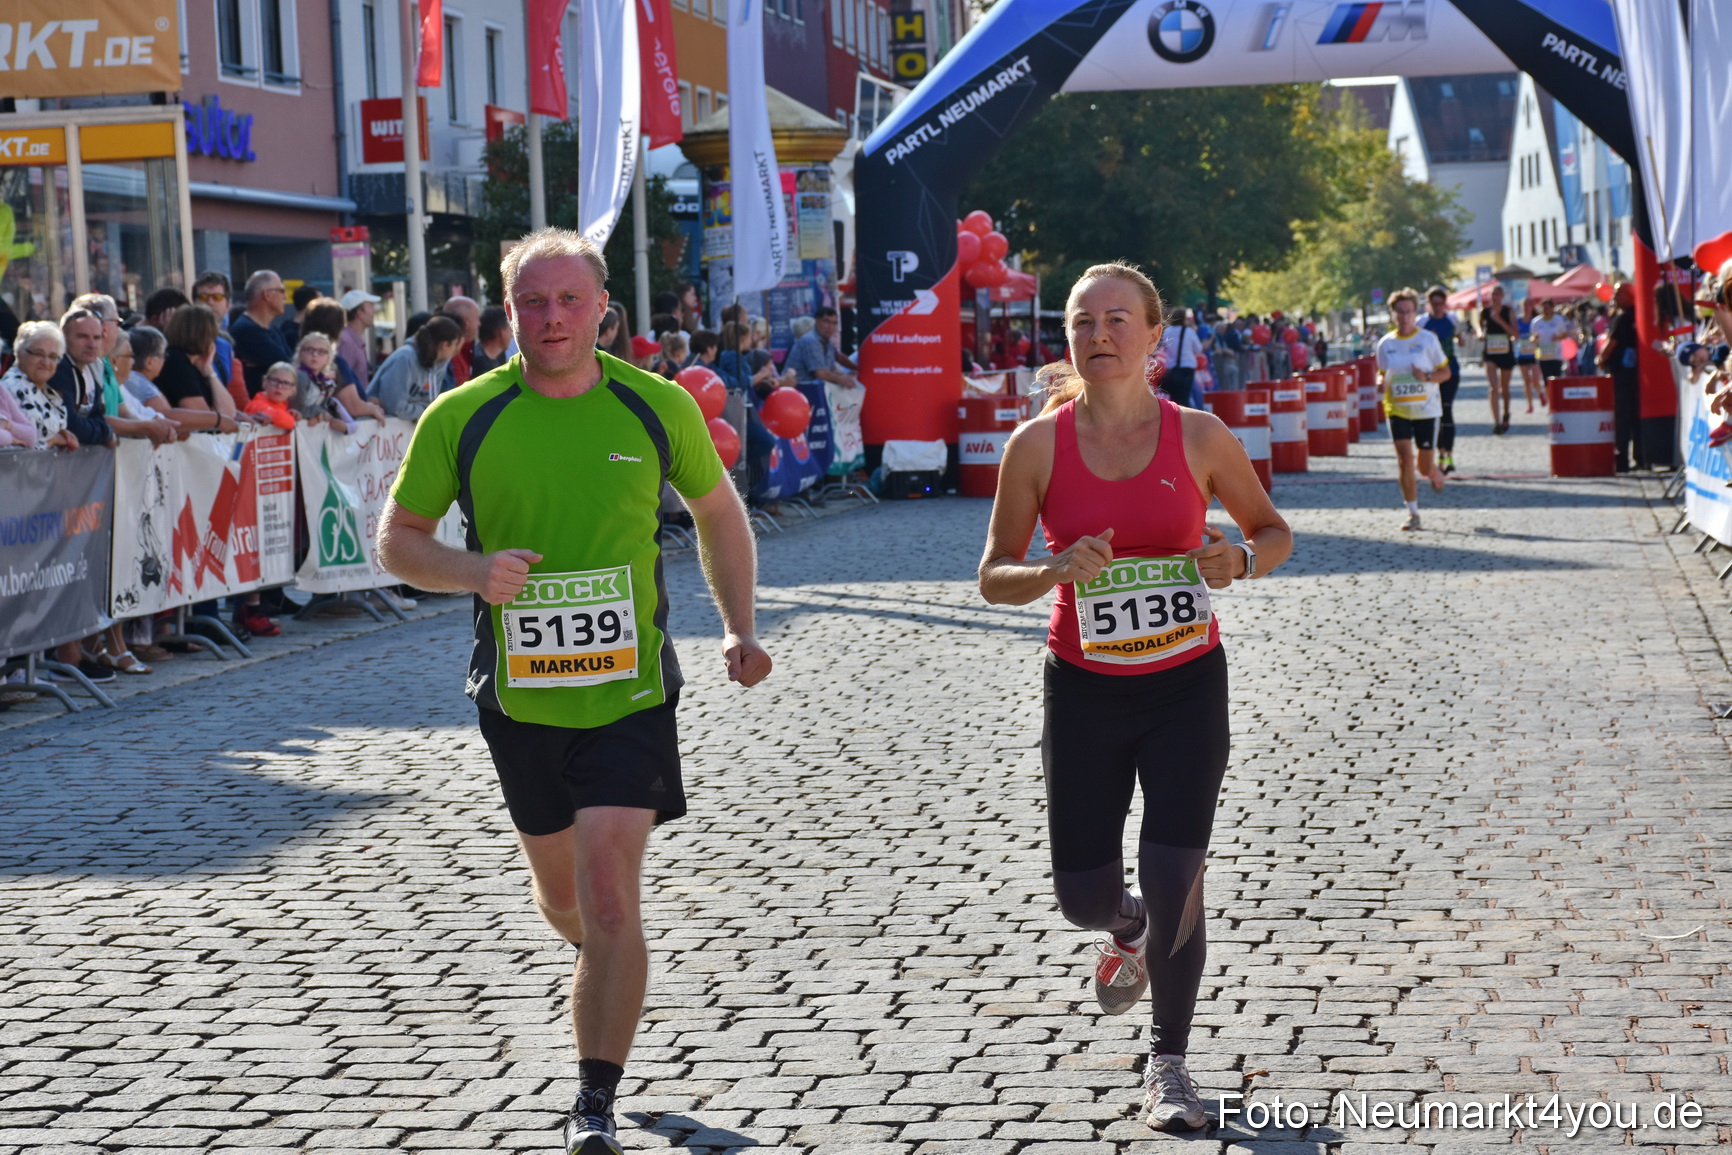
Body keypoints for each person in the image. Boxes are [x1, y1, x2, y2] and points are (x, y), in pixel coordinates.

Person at [375, 227, 771, 1155]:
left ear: (601, 309)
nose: (551, 318)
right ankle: (600, 957)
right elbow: (398, 540)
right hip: (519, 699)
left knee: (609, 895)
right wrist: (473, 571)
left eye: (568, 300)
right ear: (509, 311)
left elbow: (718, 512)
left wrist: (741, 626)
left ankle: (594, 1100)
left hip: (631, 694)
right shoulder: (464, 416)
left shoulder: (655, 405)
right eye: (532, 302)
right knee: (567, 901)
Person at [977, 262, 1291, 1134]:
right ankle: (1127, 928)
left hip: (1186, 686)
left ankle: (1170, 1064)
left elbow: (1273, 531)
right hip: (1084, 690)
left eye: (1118, 319)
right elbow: (993, 575)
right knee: (1083, 896)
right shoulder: (1036, 446)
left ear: (1155, 336)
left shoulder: (1200, 436)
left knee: (1175, 873)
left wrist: (1242, 560)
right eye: (1083, 321)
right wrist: (1052, 568)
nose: (1099, 334)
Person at [1376, 288, 1451, 531]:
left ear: (1415, 312)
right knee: (1404, 459)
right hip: (1397, 408)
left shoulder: (1428, 340)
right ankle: (1413, 513)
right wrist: (1380, 382)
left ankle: (1435, 472)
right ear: (1392, 314)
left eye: (1409, 311)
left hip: (1426, 410)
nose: (1404, 316)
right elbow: (1382, 373)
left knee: (1424, 467)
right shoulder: (1385, 344)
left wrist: (1426, 376)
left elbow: (1446, 373)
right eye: (1400, 312)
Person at [368, 314, 463, 421]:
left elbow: (431, 403)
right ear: (444, 345)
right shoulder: (405, 358)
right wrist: (426, 411)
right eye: (455, 344)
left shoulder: (440, 363)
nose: (456, 351)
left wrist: (425, 410)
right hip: (379, 426)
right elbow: (395, 406)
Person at [1597, 282, 1644, 472]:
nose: (1614, 298)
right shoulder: (1637, 314)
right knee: (1634, 417)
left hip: (1623, 375)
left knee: (1623, 418)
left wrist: (1601, 359)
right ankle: (1640, 458)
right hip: (1635, 374)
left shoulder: (1624, 317)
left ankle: (1622, 460)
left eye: (1618, 294)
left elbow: (1611, 344)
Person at [229, 270, 293, 396]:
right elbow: (288, 369)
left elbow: (291, 364)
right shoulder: (246, 331)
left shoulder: (273, 329)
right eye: (281, 291)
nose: (285, 297)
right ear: (267, 295)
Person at [1421, 287, 1462, 475]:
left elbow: (1460, 338)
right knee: (1435, 413)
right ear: (1429, 304)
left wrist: (1460, 339)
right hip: (1431, 373)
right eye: (1434, 304)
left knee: (1447, 410)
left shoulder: (1452, 319)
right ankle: (1440, 454)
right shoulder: (1422, 322)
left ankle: (1449, 455)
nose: (1438, 307)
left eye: (1441, 304)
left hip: (1451, 370)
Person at [1479, 286, 1519, 434]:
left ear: (1502, 296)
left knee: (1504, 388)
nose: (1494, 297)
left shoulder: (1509, 311)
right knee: (1493, 388)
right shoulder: (1484, 312)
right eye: (1492, 294)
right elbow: (1479, 328)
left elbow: (1515, 334)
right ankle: (1496, 422)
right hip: (1490, 353)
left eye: (1497, 294)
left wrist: (1499, 320)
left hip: (1505, 352)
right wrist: (1480, 334)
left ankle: (1506, 414)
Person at [1530, 297, 1577, 390]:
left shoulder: (1558, 320)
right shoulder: (1536, 322)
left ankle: (1556, 397)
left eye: (1548, 308)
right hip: (1543, 355)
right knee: (1546, 380)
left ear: (1552, 308)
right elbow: (1532, 338)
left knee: (1556, 378)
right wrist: (1534, 338)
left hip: (1556, 354)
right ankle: (1549, 398)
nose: (1546, 310)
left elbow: (1565, 334)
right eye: (1544, 308)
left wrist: (1557, 338)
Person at [1158, 309, 1202, 407]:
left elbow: (1164, 348)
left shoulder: (1167, 331)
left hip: (1172, 368)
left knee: (1174, 398)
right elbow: (1198, 349)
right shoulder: (1189, 331)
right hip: (1187, 367)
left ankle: (1174, 415)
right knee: (1185, 397)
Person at [340, 289, 382, 390]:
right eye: (371, 306)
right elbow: (343, 381)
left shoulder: (352, 339)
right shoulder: (346, 342)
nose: (375, 311)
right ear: (359, 313)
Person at [440, 295, 483, 387]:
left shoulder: (465, 350)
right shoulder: (447, 354)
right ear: (466, 322)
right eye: (477, 319)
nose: (479, 324)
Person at [245, 363, 304, 429]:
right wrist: (291, 418)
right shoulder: (257, 404)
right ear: (264, 382)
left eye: (286, 383)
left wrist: (291, 414)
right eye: (275, 380)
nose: (279, 386)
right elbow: (285, 420)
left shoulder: (283, 405)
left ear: (293, 390)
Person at [470, 306, 515, 378]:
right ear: (501, 333)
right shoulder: (476, 362)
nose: (512, 335)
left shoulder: (500, 357)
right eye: (510, 329)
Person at [275, 284, 320, 348]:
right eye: (319, 303)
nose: (322, 307)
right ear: (310, 304)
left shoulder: (314, 328)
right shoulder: (289, 332)